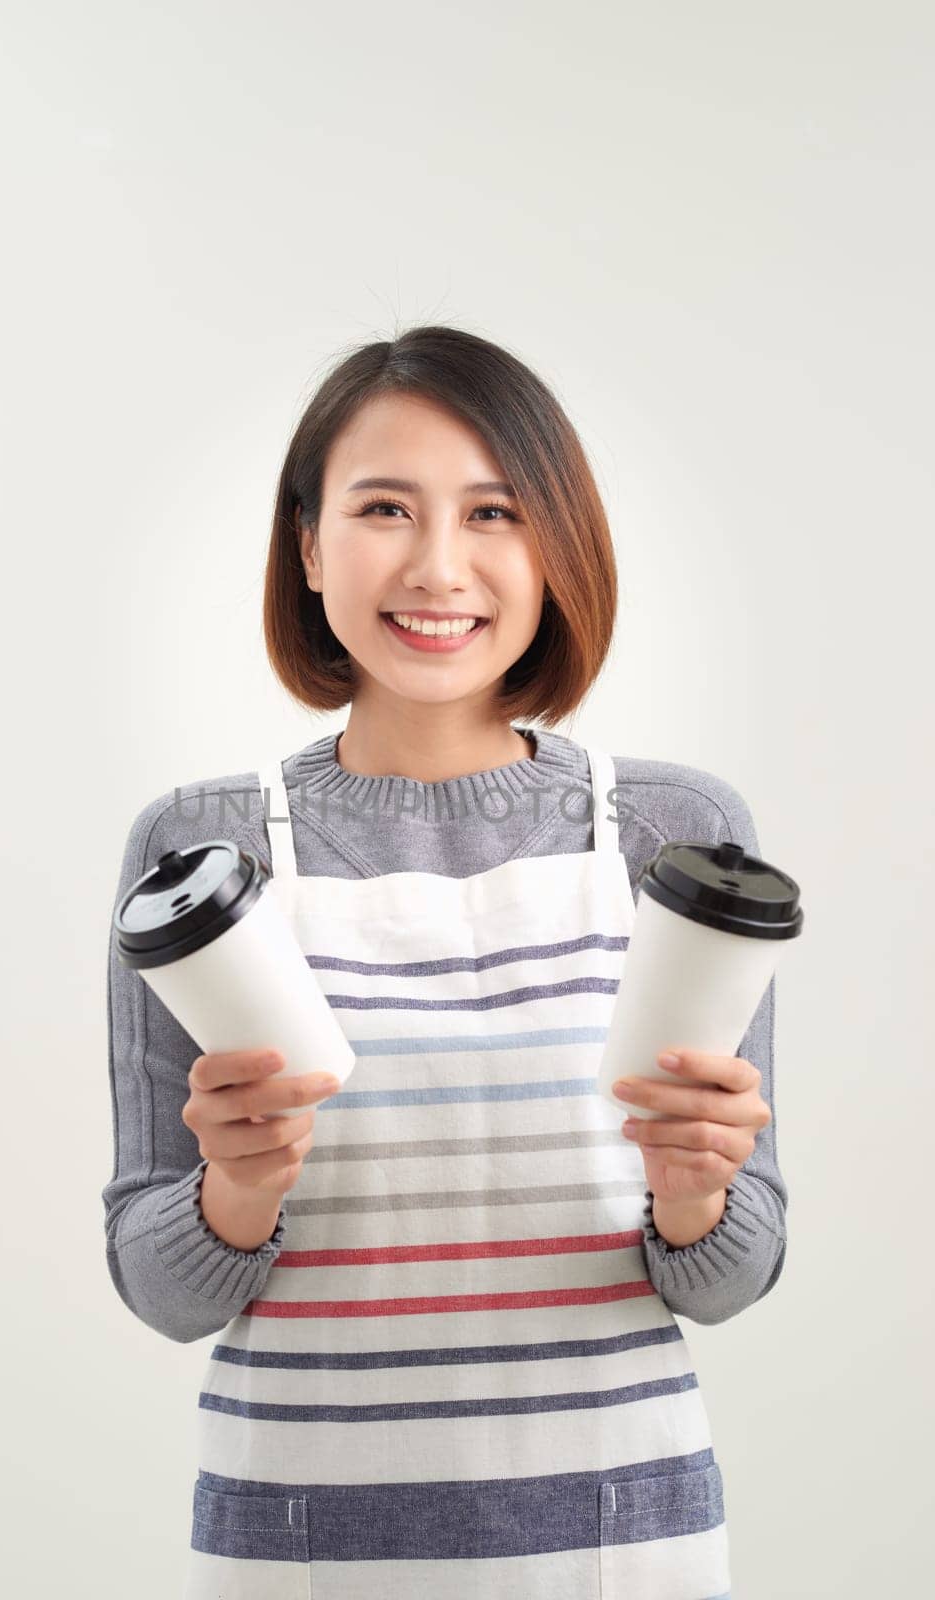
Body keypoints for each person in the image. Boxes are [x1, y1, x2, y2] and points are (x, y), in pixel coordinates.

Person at [104, 324, 787, 1598]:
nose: (438, 565)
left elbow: (737, 1270)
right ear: (308, 545)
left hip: (617, 1542)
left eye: (495, 512)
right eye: (383, 508)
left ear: (558, 550)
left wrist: (698, 1192)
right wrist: (232, 1194)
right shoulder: (198, 849)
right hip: (298, 1546)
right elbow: (160, 1282)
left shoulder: (674, 836)